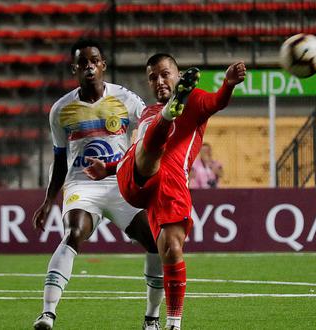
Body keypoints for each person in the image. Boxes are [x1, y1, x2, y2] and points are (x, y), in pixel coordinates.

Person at [84, 54, 246, 330]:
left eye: (165, 74)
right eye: (152, 77)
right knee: (151, 142)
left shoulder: (194, 100)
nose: (158, 81)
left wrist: (228, 84)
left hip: (168, 185)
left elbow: (216, 101)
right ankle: (168, 116)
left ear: (178, 74)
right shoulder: (146, 113)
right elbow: (136, 153)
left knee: (170, 250)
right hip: (132, 178)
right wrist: (109, 168)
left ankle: (173, 323)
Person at [32, 39, 164, 330]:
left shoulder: (126, 99)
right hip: (82, 186)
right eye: (83, 62)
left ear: (103, 65)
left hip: (120, 184)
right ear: (74, 68)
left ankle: (152, 319)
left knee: (155, 242)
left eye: (94, 60)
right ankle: (47, 314)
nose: (89, 66)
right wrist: (48, 201)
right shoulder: (60, 110)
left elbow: (148, 134)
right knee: (74, 233)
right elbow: (60, 160)